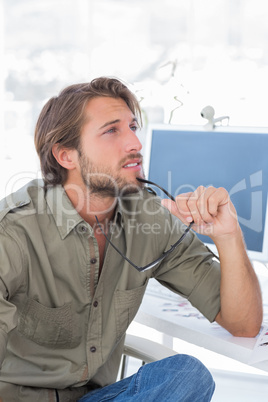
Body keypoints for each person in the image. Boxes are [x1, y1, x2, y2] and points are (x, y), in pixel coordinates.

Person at [0, 77, 262, 401]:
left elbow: (243, 323)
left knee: (187, 375)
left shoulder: (149, 220)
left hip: (97, 397)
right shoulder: (13, 233)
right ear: (66, 155)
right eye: (112, 130)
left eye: (133, 127)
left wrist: (228, 234)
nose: (134, 143)